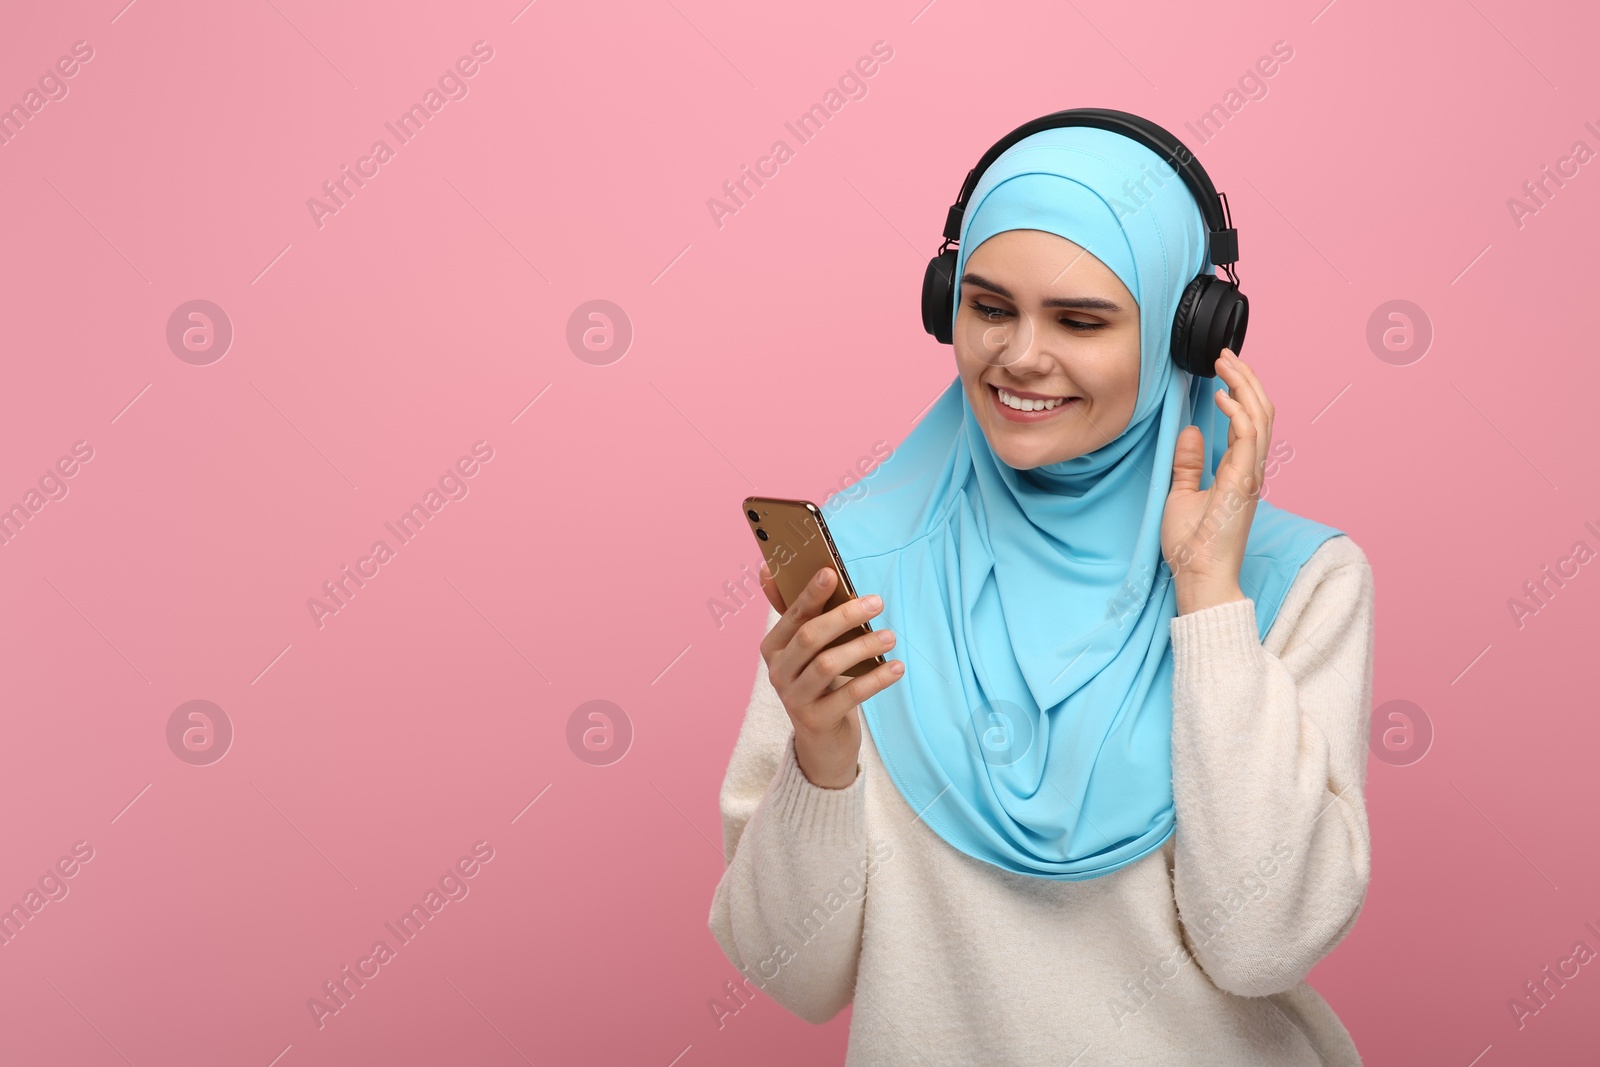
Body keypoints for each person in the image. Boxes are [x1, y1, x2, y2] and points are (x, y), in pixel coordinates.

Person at [707, 113, 1375, 1065]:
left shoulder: (1302, 582)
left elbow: (1261, 942)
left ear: (1188, 334)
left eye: (1081, 320)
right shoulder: (856, 563)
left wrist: (1211, 601)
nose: (1019, 355)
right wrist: (821, 752)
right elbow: (794, 977)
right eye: (987, 307)